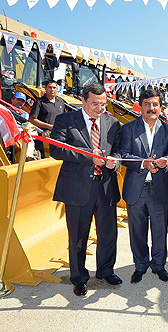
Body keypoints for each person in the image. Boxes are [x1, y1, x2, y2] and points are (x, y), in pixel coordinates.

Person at [50, 83, 122, 296]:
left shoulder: (113, 122)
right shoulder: (65, 120)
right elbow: (56, 148)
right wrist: (88, 156)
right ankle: (79, 277)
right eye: (95, 104)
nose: (100, 108)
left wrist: (114, 162)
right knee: (79, 236)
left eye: (103, 104)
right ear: (83, 100)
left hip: (106, 186)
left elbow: (118, 150)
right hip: (77, 188)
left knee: (108, 233)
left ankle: (106, 270)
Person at [120, 88, 168, 284]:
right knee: (137, 231)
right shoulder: (128, 129)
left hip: (159, 189)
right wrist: (143, 163)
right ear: (140, 107)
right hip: (137, 188)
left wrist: (166, 162)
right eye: (147, 104)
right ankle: (140, 265)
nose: (152, 108)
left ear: (160, 107)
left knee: (160, 231)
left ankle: (159, 266)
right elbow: (124, 155)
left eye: (155, 104)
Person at [30, 79, 66, 157]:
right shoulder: (39, 102)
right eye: (50, 87)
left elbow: (64, 118)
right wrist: (49, 127)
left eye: (54, 88)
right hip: (44, 136)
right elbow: (32, 120)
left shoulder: (61, 102)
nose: (52, 90)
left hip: (59, 136)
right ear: (45, 88)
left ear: (57, 89)